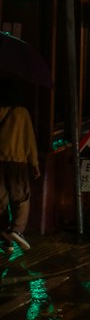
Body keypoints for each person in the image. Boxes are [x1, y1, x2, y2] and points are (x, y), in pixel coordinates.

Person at [0, 82, 40, 253]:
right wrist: (35, 164)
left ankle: (5, 240)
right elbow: (29, 140)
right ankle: (16, 230)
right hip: (18, 162)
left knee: (1, 201)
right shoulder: (23, 113)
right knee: (22, 198)